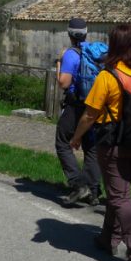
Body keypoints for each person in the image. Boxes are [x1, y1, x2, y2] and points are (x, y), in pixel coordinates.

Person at [70, 24, 131, 261]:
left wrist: (76, 138)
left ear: (113, 45)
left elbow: (90, 114)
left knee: (119, 197)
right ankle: (108, 239)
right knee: (120, 191)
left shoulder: (108, 76)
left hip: (112, 144)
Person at [54, 17, 101, 206]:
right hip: (95, 105)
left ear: (69, 33)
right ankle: (94, 192)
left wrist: (59, 63)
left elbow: (63, 83)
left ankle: (78, 184)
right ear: (86, 33)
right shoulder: (93, 53)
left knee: (62, 142)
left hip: (76, 106)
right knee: (92, 148)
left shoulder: (71, 54)